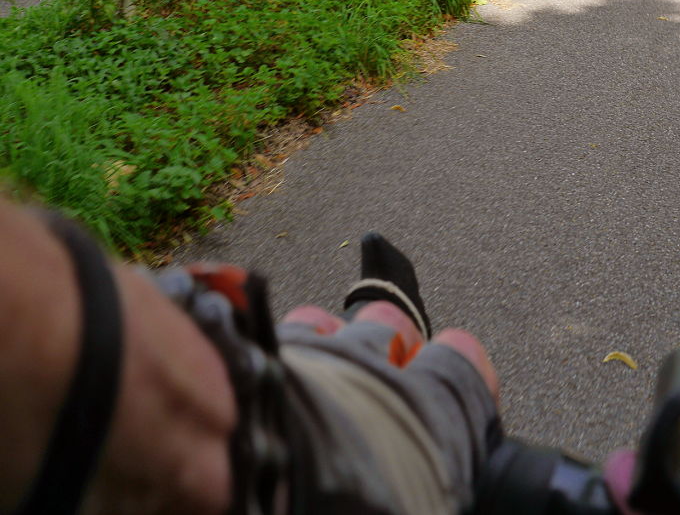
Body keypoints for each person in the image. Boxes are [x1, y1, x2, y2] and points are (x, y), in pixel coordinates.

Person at [0, 194, 499, 515]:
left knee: (311, 321)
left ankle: (382, 317)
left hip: (241, 377)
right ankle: (397, 318)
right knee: (461, 355)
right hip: (268, 462)